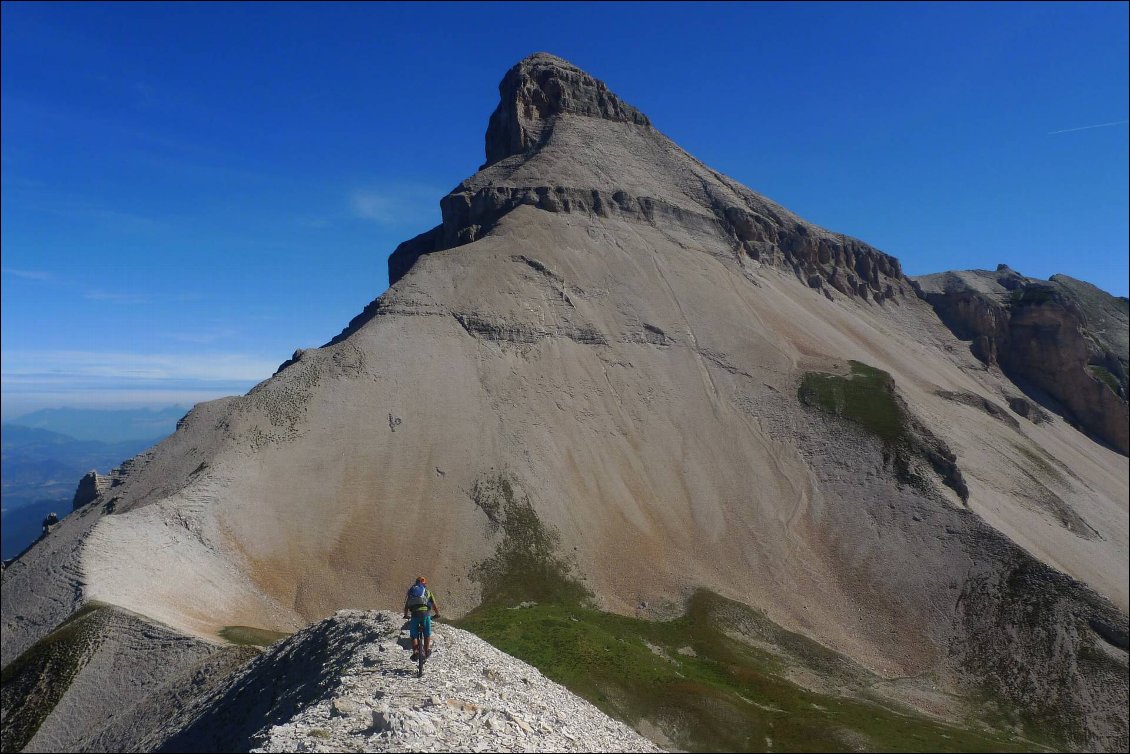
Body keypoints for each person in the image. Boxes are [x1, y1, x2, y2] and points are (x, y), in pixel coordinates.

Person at [403, 576, 440, 661]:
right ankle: (427, 651)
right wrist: (437, 614)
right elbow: (434, 606)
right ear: (424, 584)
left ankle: (416, 652)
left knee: (413, 635)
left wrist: (405, 615)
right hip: (425, 614)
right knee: (427, 634)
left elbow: (406, 606)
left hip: (414, 614)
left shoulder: (411, 592)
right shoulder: (428, 592)